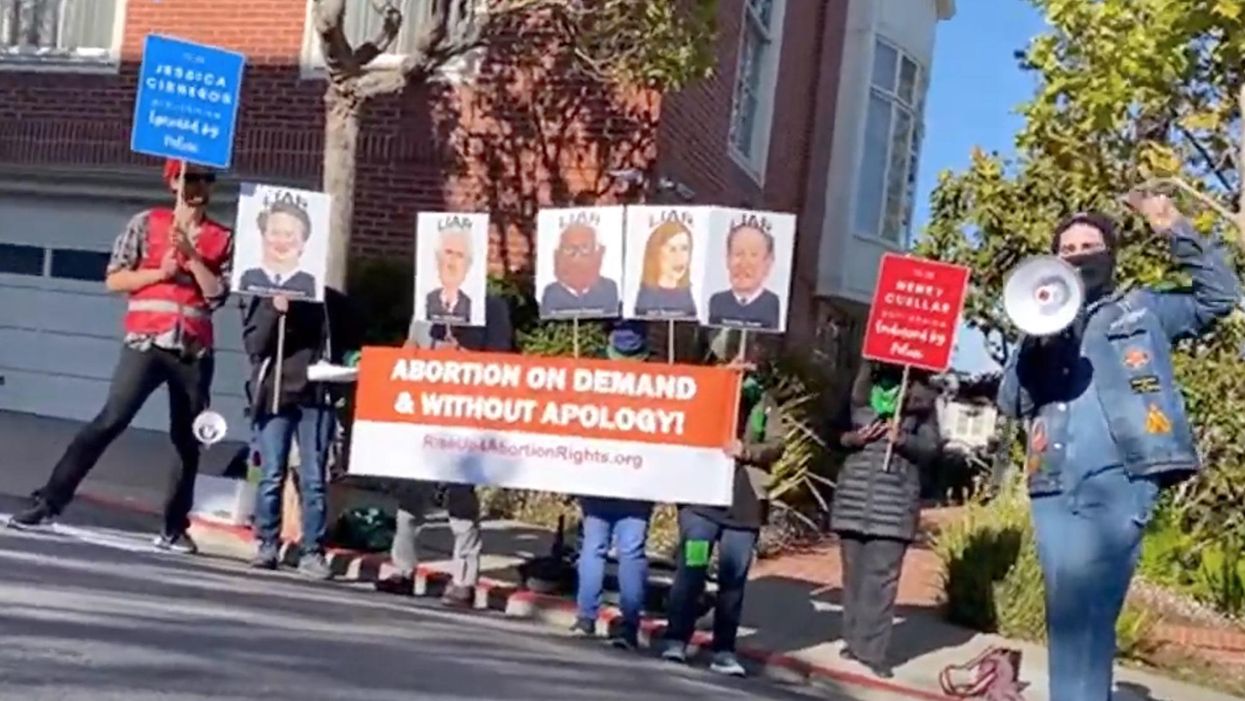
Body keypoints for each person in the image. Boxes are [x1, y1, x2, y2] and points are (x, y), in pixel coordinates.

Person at [997, 194, 1238, 701]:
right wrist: (1034, 341)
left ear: (1110, 254)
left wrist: (1171, 226)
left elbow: (1221, 295)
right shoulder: (1042, 323)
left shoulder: (1144, 309)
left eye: (1090, 245)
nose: (1079, 255)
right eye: (1068, 248)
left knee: (1093, 611)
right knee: (1065, 617)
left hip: (1121, 479)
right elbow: (1010, 401)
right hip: (1053, 482)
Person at [8, 159, 234, 555]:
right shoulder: (146, 224)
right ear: (172, 184)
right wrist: (159, 273)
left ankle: (173, 527)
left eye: (205, 179)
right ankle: (49, 501)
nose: (198, 186)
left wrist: (192, 257)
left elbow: (217, 295)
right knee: (110, 420)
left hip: (193, 350)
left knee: (187, 439)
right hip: (146, 343)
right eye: (189, 179)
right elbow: (114, 278)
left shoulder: (222, 238)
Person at [375, 293, 513, 606]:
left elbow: (502, 362)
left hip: (466, 412)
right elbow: (410, 349)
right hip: (425, 412)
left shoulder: (491, 307)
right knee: (411, 494)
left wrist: (461, 345)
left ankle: (464, 578)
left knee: (460, 497)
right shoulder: (426, 305)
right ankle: (402, 568)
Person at [662, 331, 786, 677]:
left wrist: (747, 451)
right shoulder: (705, 390)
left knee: (733, 580)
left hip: (743, 510)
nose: (745, 366)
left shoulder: (764, 401)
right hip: (702, 507)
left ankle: (724, 650)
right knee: (692, 570)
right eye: (738, 359)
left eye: (751, 361)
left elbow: (778, 443)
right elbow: (683, 423)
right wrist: (721, 384)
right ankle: (676, 639)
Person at [829, 362, 941, 679]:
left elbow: (932, 449)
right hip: (854, 498)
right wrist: (854, 438)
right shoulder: (858, 393)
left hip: (894, 503)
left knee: (882, 580)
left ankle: (872, 651)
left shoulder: (922, 402)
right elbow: (832, 435)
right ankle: (852, 641)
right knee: (854, 578)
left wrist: (903, 439)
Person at [243, 287, 360, 579]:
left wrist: (345, 368)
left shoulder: (331, 302)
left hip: (317, 396)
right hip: (276, 394)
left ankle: (312, 550)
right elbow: (255, 347)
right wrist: (274, 311)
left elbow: (348, 346)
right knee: (271, 474)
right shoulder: (266, 297)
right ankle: (267, 543)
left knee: (314, 478)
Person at [570, 321, 654, 649]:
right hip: (639, 475)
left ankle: (586, 617)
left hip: (599, 473)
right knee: (631, 551)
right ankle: (629, 626)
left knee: (594, 546)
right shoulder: (662, 380)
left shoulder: (593, 376)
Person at [238, 195, 318, 299]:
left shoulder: (308, 283)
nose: (281, 241)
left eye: (289, 235)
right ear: (263, 236)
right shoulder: (249, 278)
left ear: (303, 242)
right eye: (275, 233)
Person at [707, 222, 781, 330]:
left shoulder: (773, 304)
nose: (744, 264)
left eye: (753, 255)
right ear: (728, 259)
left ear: (768, 263)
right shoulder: (717, 302)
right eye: (738, 254)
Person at [540, 222, 620, 318]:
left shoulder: (609, 289)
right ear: (559, 254)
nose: (577, 256)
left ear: (598, 253)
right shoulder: (551, 293)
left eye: (585, 248)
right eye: (569, 249)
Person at [633, 220, 697, 319]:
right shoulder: (647, 296)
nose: (680, 257)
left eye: (684, 248)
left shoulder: (687, 294)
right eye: (672, 249)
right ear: (656, 253)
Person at [426, 226, 474, 324]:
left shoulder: (471, 306)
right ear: (438, 259)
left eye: (459, 255)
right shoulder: (426, 301)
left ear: (467, 266)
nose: (453, 261)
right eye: (448, 252)